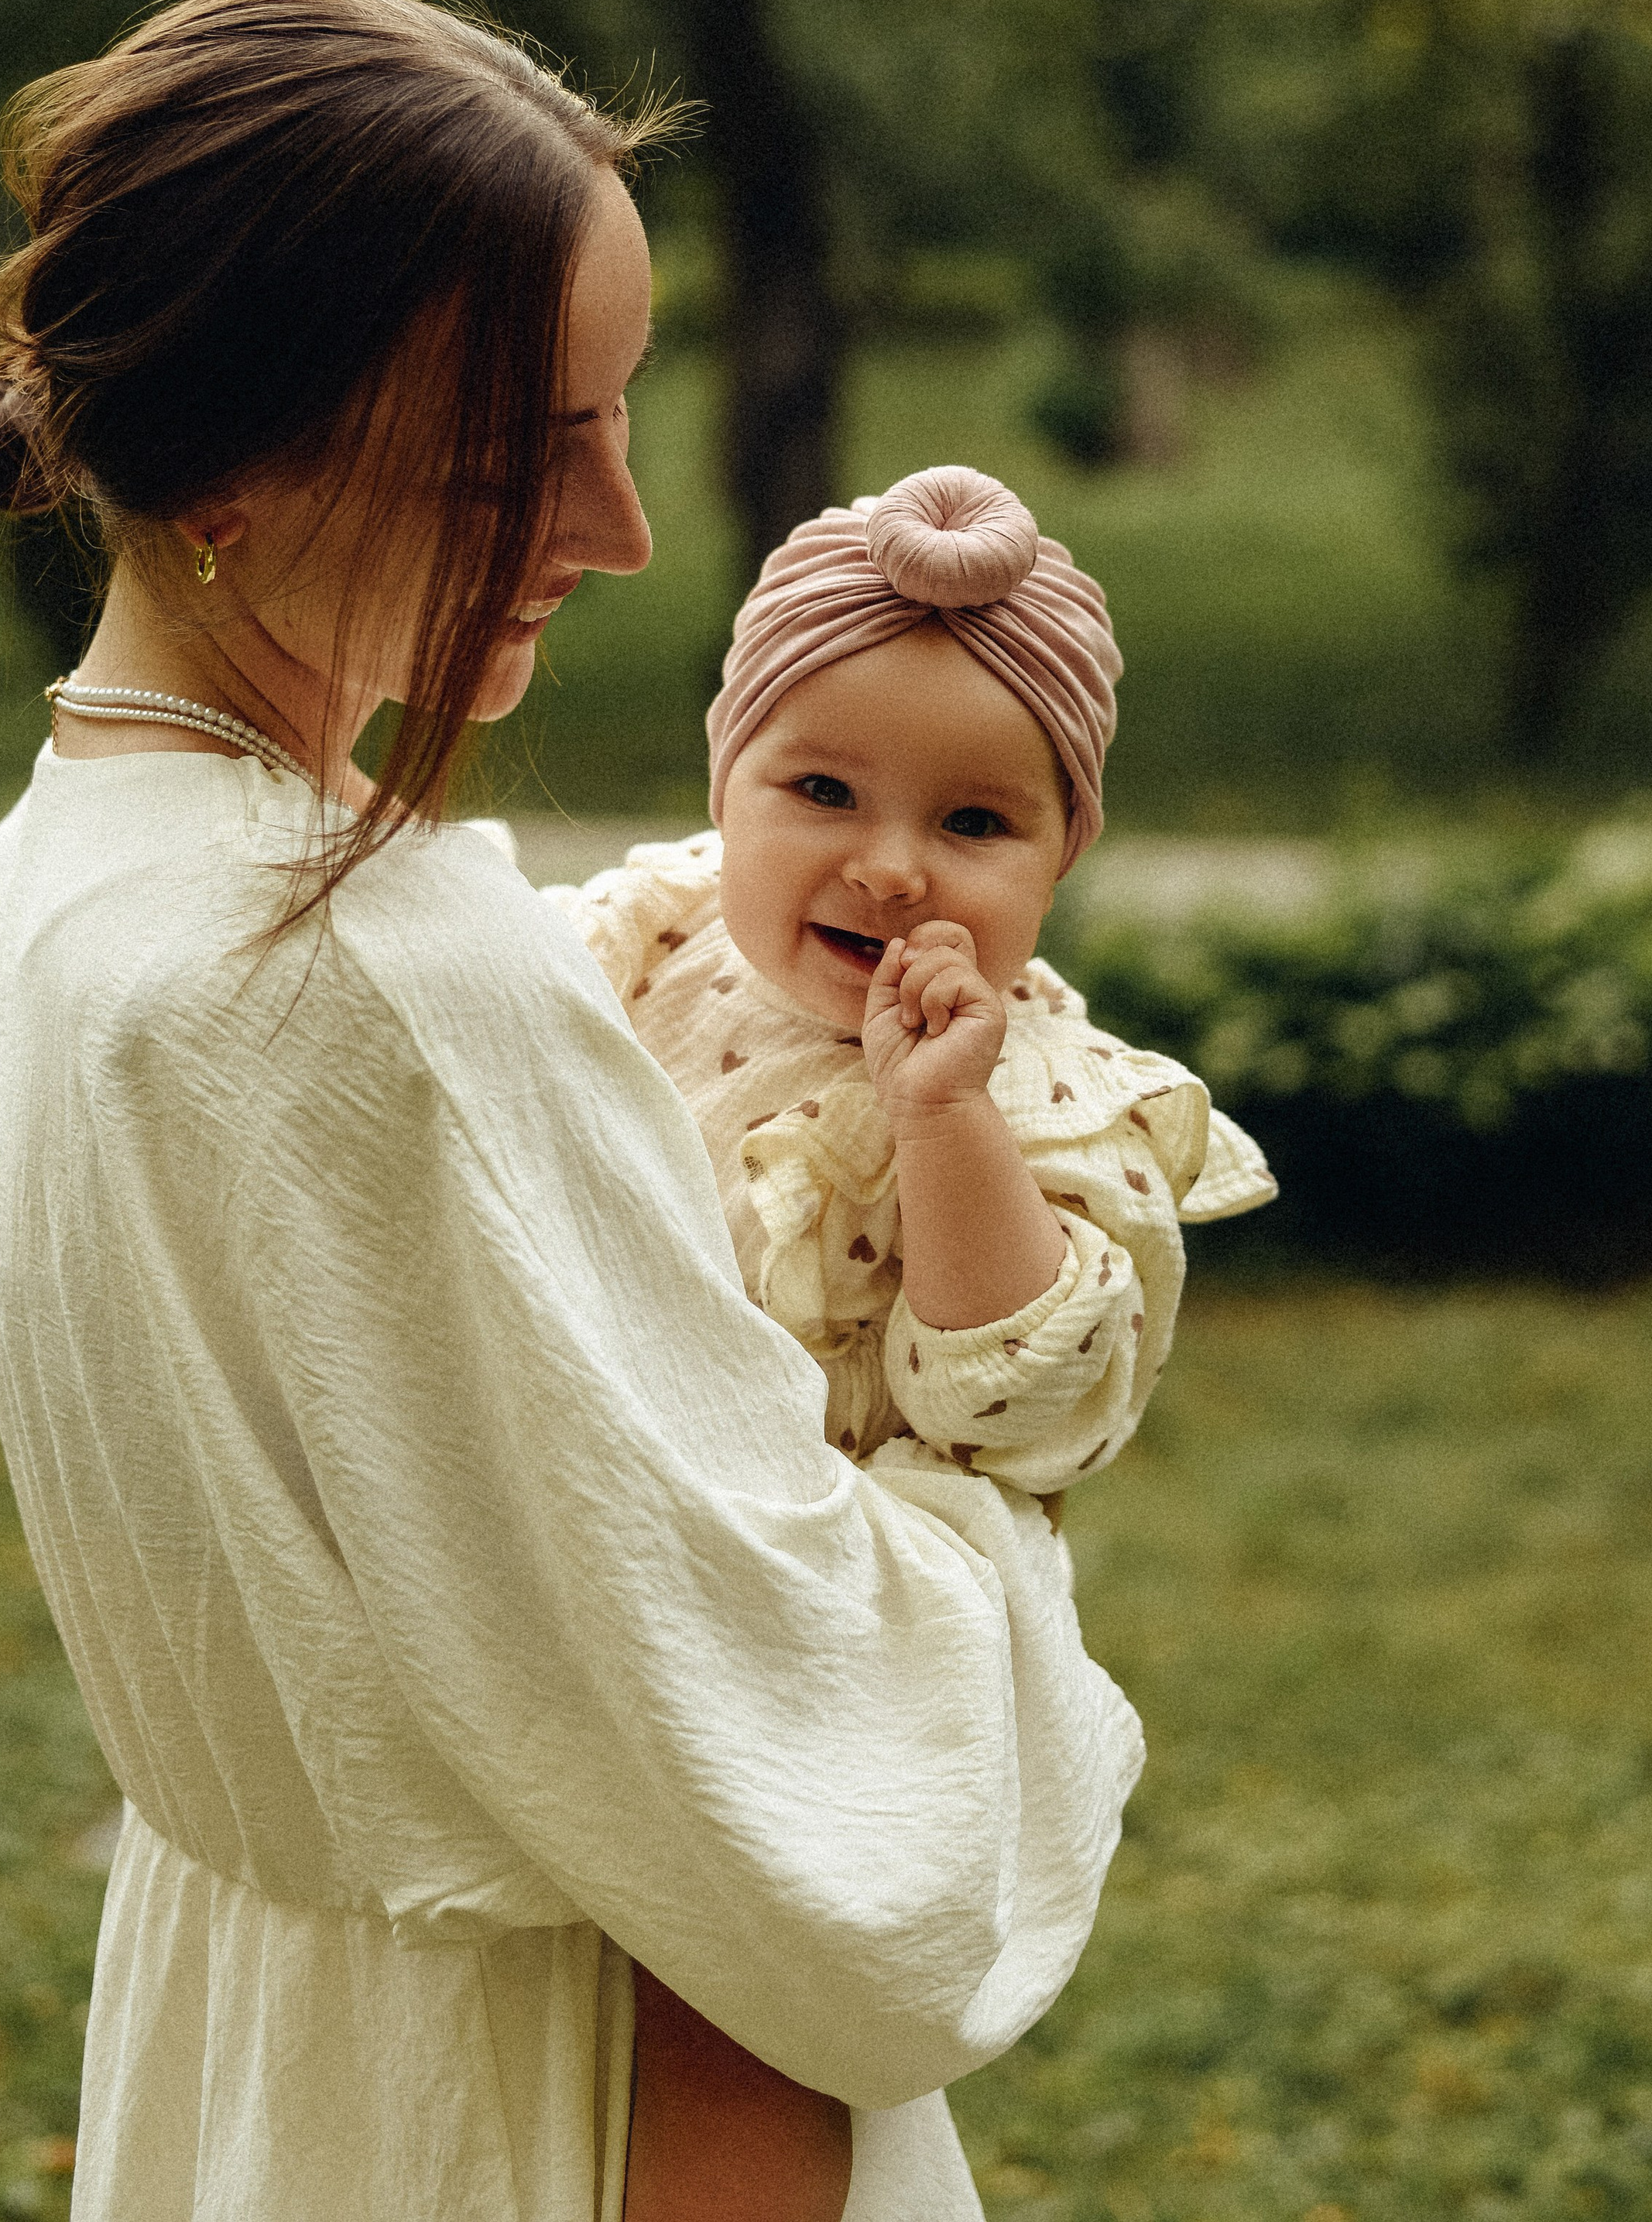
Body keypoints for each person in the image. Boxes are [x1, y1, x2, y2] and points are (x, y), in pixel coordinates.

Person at [0, 0, 1146, 2222]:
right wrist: (995, 1529)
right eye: (517, 456)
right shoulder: (376, 976)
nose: (620, 530)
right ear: (224, 457)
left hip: (275, 2029)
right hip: (546, 2091)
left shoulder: (65, 868)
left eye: (621, 414)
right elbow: (767, 1728)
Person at [546, 464, 1276, 2207]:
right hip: (608, 1553)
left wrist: (942, 1126)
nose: (886, 866)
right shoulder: (639, 948)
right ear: (718, 782)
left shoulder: (1035, 1096)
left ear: (1061, 854)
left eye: (971, 825)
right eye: (817, 789)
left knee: (733, 2016)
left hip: (818, 1626)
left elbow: (1033, 1399)